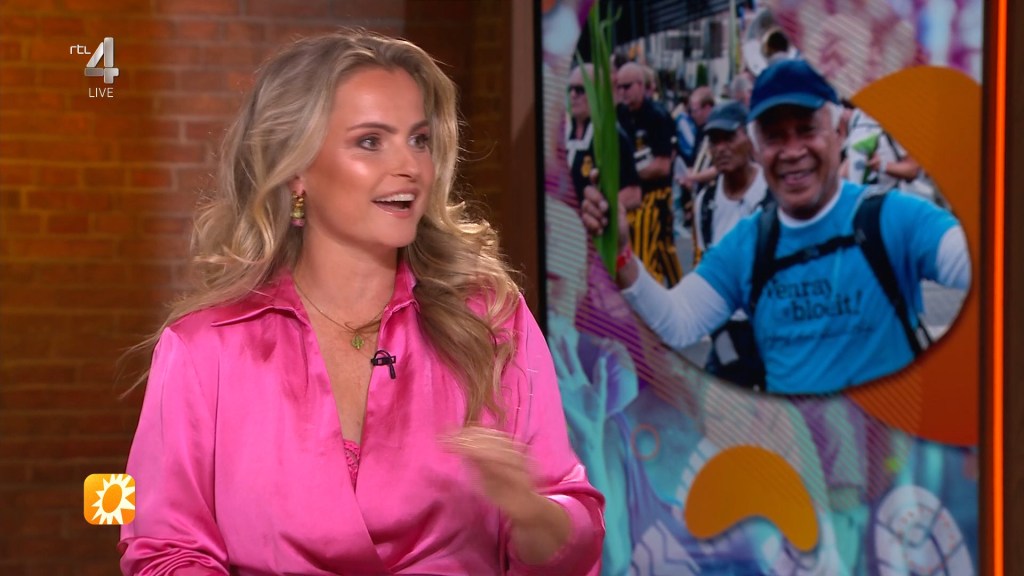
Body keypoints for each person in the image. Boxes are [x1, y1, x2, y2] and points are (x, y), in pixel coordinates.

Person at [119, 30, 604, 575]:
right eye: (371, 141)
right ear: (297, 169)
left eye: (419, 140)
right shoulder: (205, 348)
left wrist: (532, 513)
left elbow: (574, 529)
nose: (410, 167)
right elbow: (164, 551)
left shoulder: (489, 321)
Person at [581, 58, 970, 394]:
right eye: (774, 137)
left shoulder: (894, 217)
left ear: (838, 133)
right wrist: (621, 254)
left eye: (806, 129)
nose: (792, 151)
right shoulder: (747, 244)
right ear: (757, 147)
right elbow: (678, 321)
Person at [689, 101, 771, 385]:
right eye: (714, 141)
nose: (721, 148)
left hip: (773, 325)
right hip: (727, 328)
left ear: (749, 137)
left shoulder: (774, 192)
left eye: (729, 138)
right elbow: (705, 266)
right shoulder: (706, 202)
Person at [615, 61, 683, 288]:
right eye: (619, 87)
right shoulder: (620, 115)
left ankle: (656, 297)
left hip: (655, 196)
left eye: (627, 86)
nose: (622, 92)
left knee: (647, 253)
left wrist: (631, 175)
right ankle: (675, 293)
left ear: (641, 85)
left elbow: (663, 166)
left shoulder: (657, 115)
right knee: (661, 249)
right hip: (636, 196)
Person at [565, 63, 641, 211]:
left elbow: (633, 193)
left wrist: (599, 209)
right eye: (570, 89)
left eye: (580, 90)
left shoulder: (612, 137)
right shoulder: (561, 133)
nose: (573, 95)